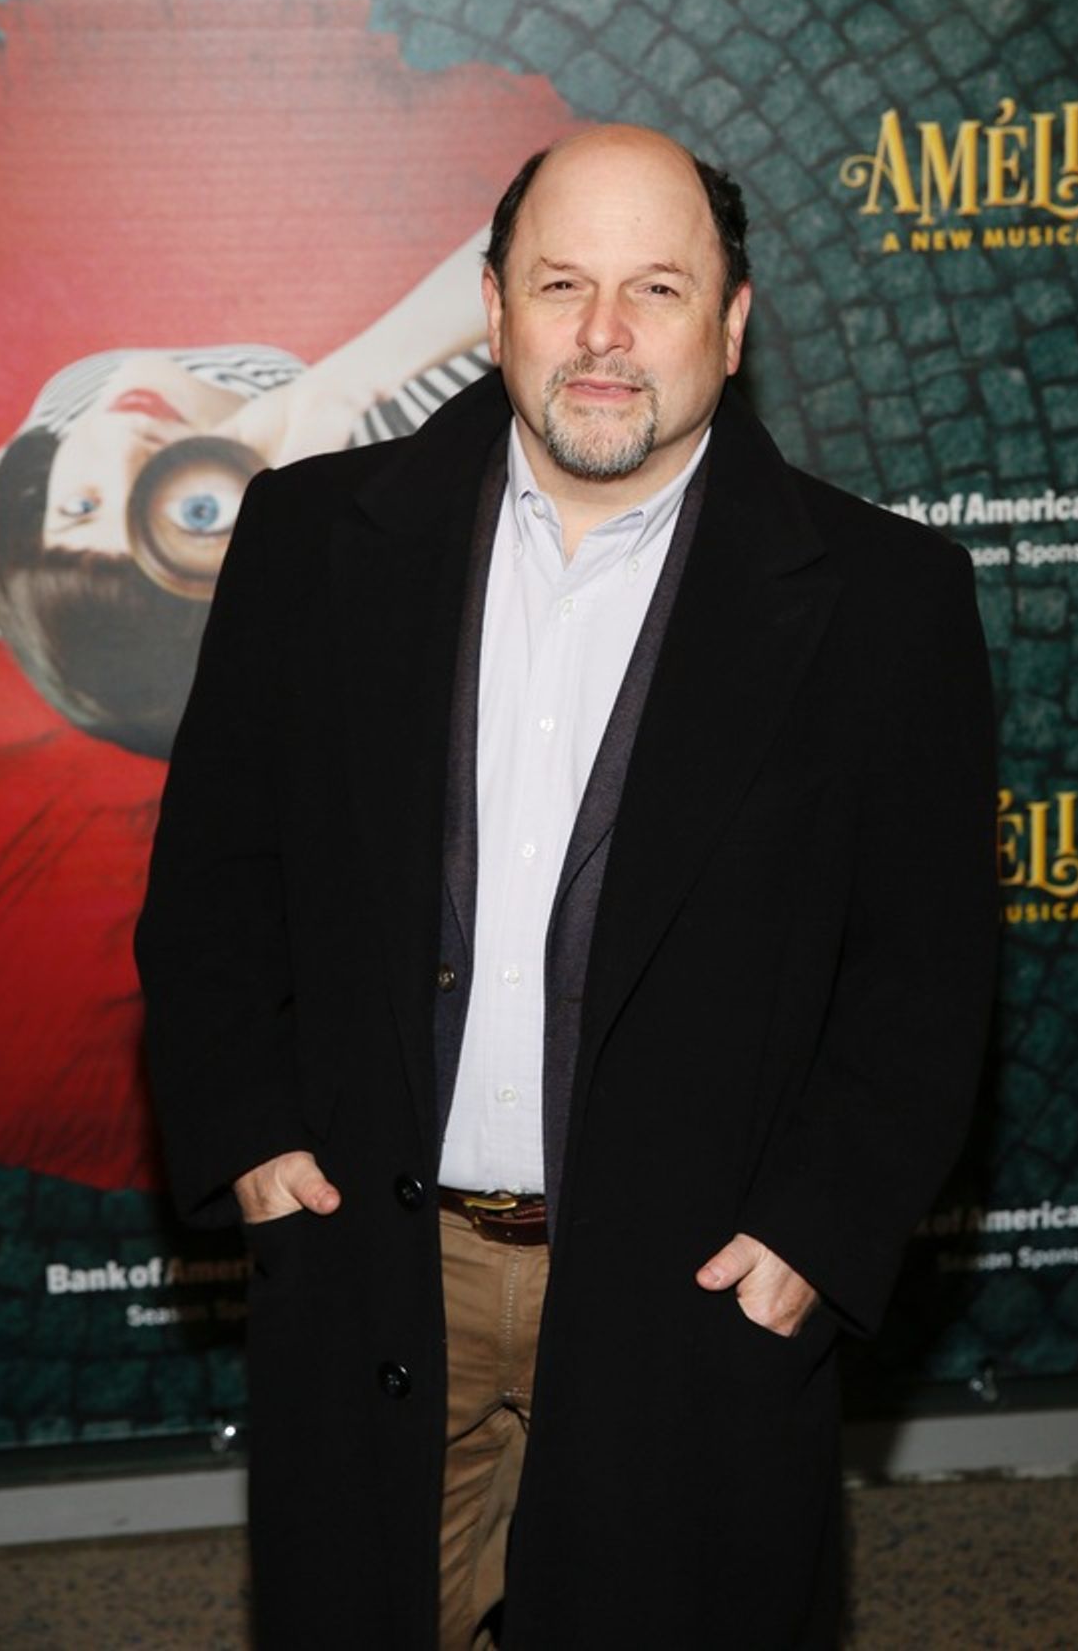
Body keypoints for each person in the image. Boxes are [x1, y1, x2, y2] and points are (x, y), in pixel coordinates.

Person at [135, 125, 997, 1649]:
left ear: (732, 324)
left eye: (657, 288)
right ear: (493, 308)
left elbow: (925, 978)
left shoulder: (885, 600)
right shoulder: (311, 540)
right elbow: (214, 881)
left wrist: (814, 1240)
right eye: (561, 284)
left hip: (692, 1306)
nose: (604, 334)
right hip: (380, 1271)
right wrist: (254, 1143)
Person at [0, 231, 490, 758]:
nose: (124, 445)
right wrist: (338, 388)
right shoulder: (405, 450)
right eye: (196, 514)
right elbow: (535, 248)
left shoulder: (76, 417)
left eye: (81, 507)